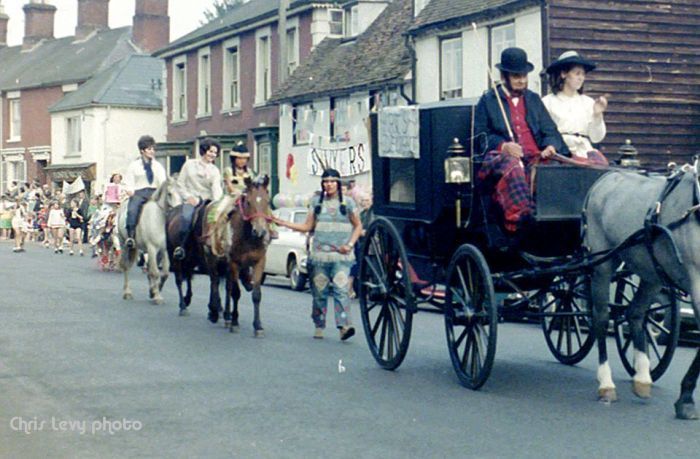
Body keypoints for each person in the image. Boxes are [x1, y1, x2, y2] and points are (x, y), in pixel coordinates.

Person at [474, 47, 569, 233]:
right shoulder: (488, 100)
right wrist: (503, 146)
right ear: (504, 76)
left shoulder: (533, 99)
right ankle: (521, 218)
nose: (522, 80)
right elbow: (480, 136)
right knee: (514, 166)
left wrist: (550, 145)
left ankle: (557, 219)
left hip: (534, 156)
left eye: (524, 76)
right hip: (501, 158)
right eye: (516, 76)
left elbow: (550, 130)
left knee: (556, 168)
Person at [273, 169, 363, 341]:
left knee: (341, 290)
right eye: (325, 182)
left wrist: (350, 244)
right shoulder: (316, 202)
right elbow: (307, 227)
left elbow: (358, 226)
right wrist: (283, 223)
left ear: (338, 184)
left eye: (332, 181)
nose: (329, 185)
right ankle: (319, 324)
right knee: (320, 292)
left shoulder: (348, 203)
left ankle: (344, 326)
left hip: (342, 256)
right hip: (320, 256)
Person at [542, 50, 609, 165]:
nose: (581, 78)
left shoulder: (588, 103)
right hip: (559, 154)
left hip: (584, 154)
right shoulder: (548, 102)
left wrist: (597, 115)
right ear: (564, 74)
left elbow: (596, 138)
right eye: (577, 73)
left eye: (583, 74)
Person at [172, 137, 224, 260]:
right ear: (204, 150)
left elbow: (216, 188)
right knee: (186, 218)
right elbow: (180, 184)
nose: (213, 154)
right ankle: (181, 247)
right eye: (210, 151)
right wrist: (188, 197)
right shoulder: (189, 165)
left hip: (208, 202)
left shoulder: (215, 170)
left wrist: (217, 202)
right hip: (191, 200)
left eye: (215, 152)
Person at [123, 135, 167, 248]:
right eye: (149, 149)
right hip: (139, 193)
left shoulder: (158, 166)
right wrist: (130, 191)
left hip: (155, 193)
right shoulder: (134, 166)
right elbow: (128, 182)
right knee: (132, 210)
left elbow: (163, 182)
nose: (152, 151)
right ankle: (131, 236)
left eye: (153, 149)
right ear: (142, 151)